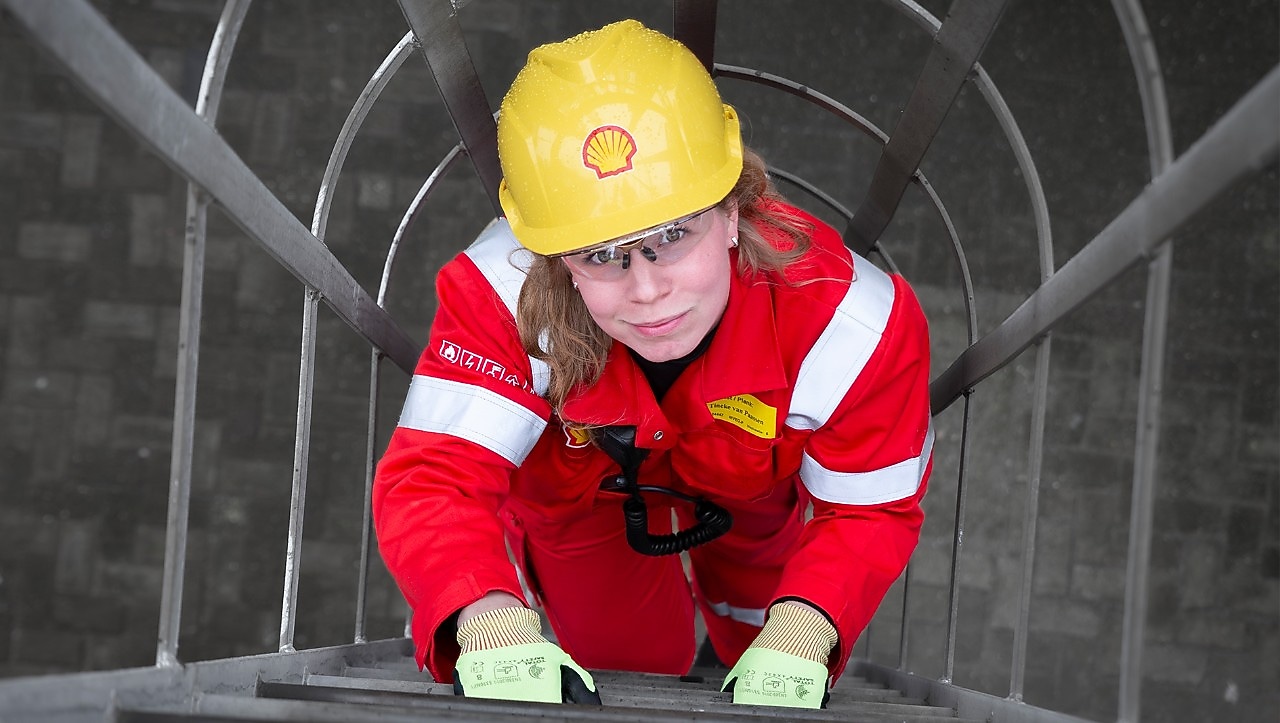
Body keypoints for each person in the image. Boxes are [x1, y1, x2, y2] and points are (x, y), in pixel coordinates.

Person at [373, 18, 933, 710]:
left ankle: (736, 635)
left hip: (754, 494)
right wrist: (482, 611)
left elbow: (867, 509)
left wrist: (808, 621)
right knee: (632, 666)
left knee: (762, 627)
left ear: (733, 212)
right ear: (552, 257)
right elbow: (437, 479)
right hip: (584, 505)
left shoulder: (851, 323)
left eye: (672, 236)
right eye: (599, 254)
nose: (646, 290)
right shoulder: (502, 294)